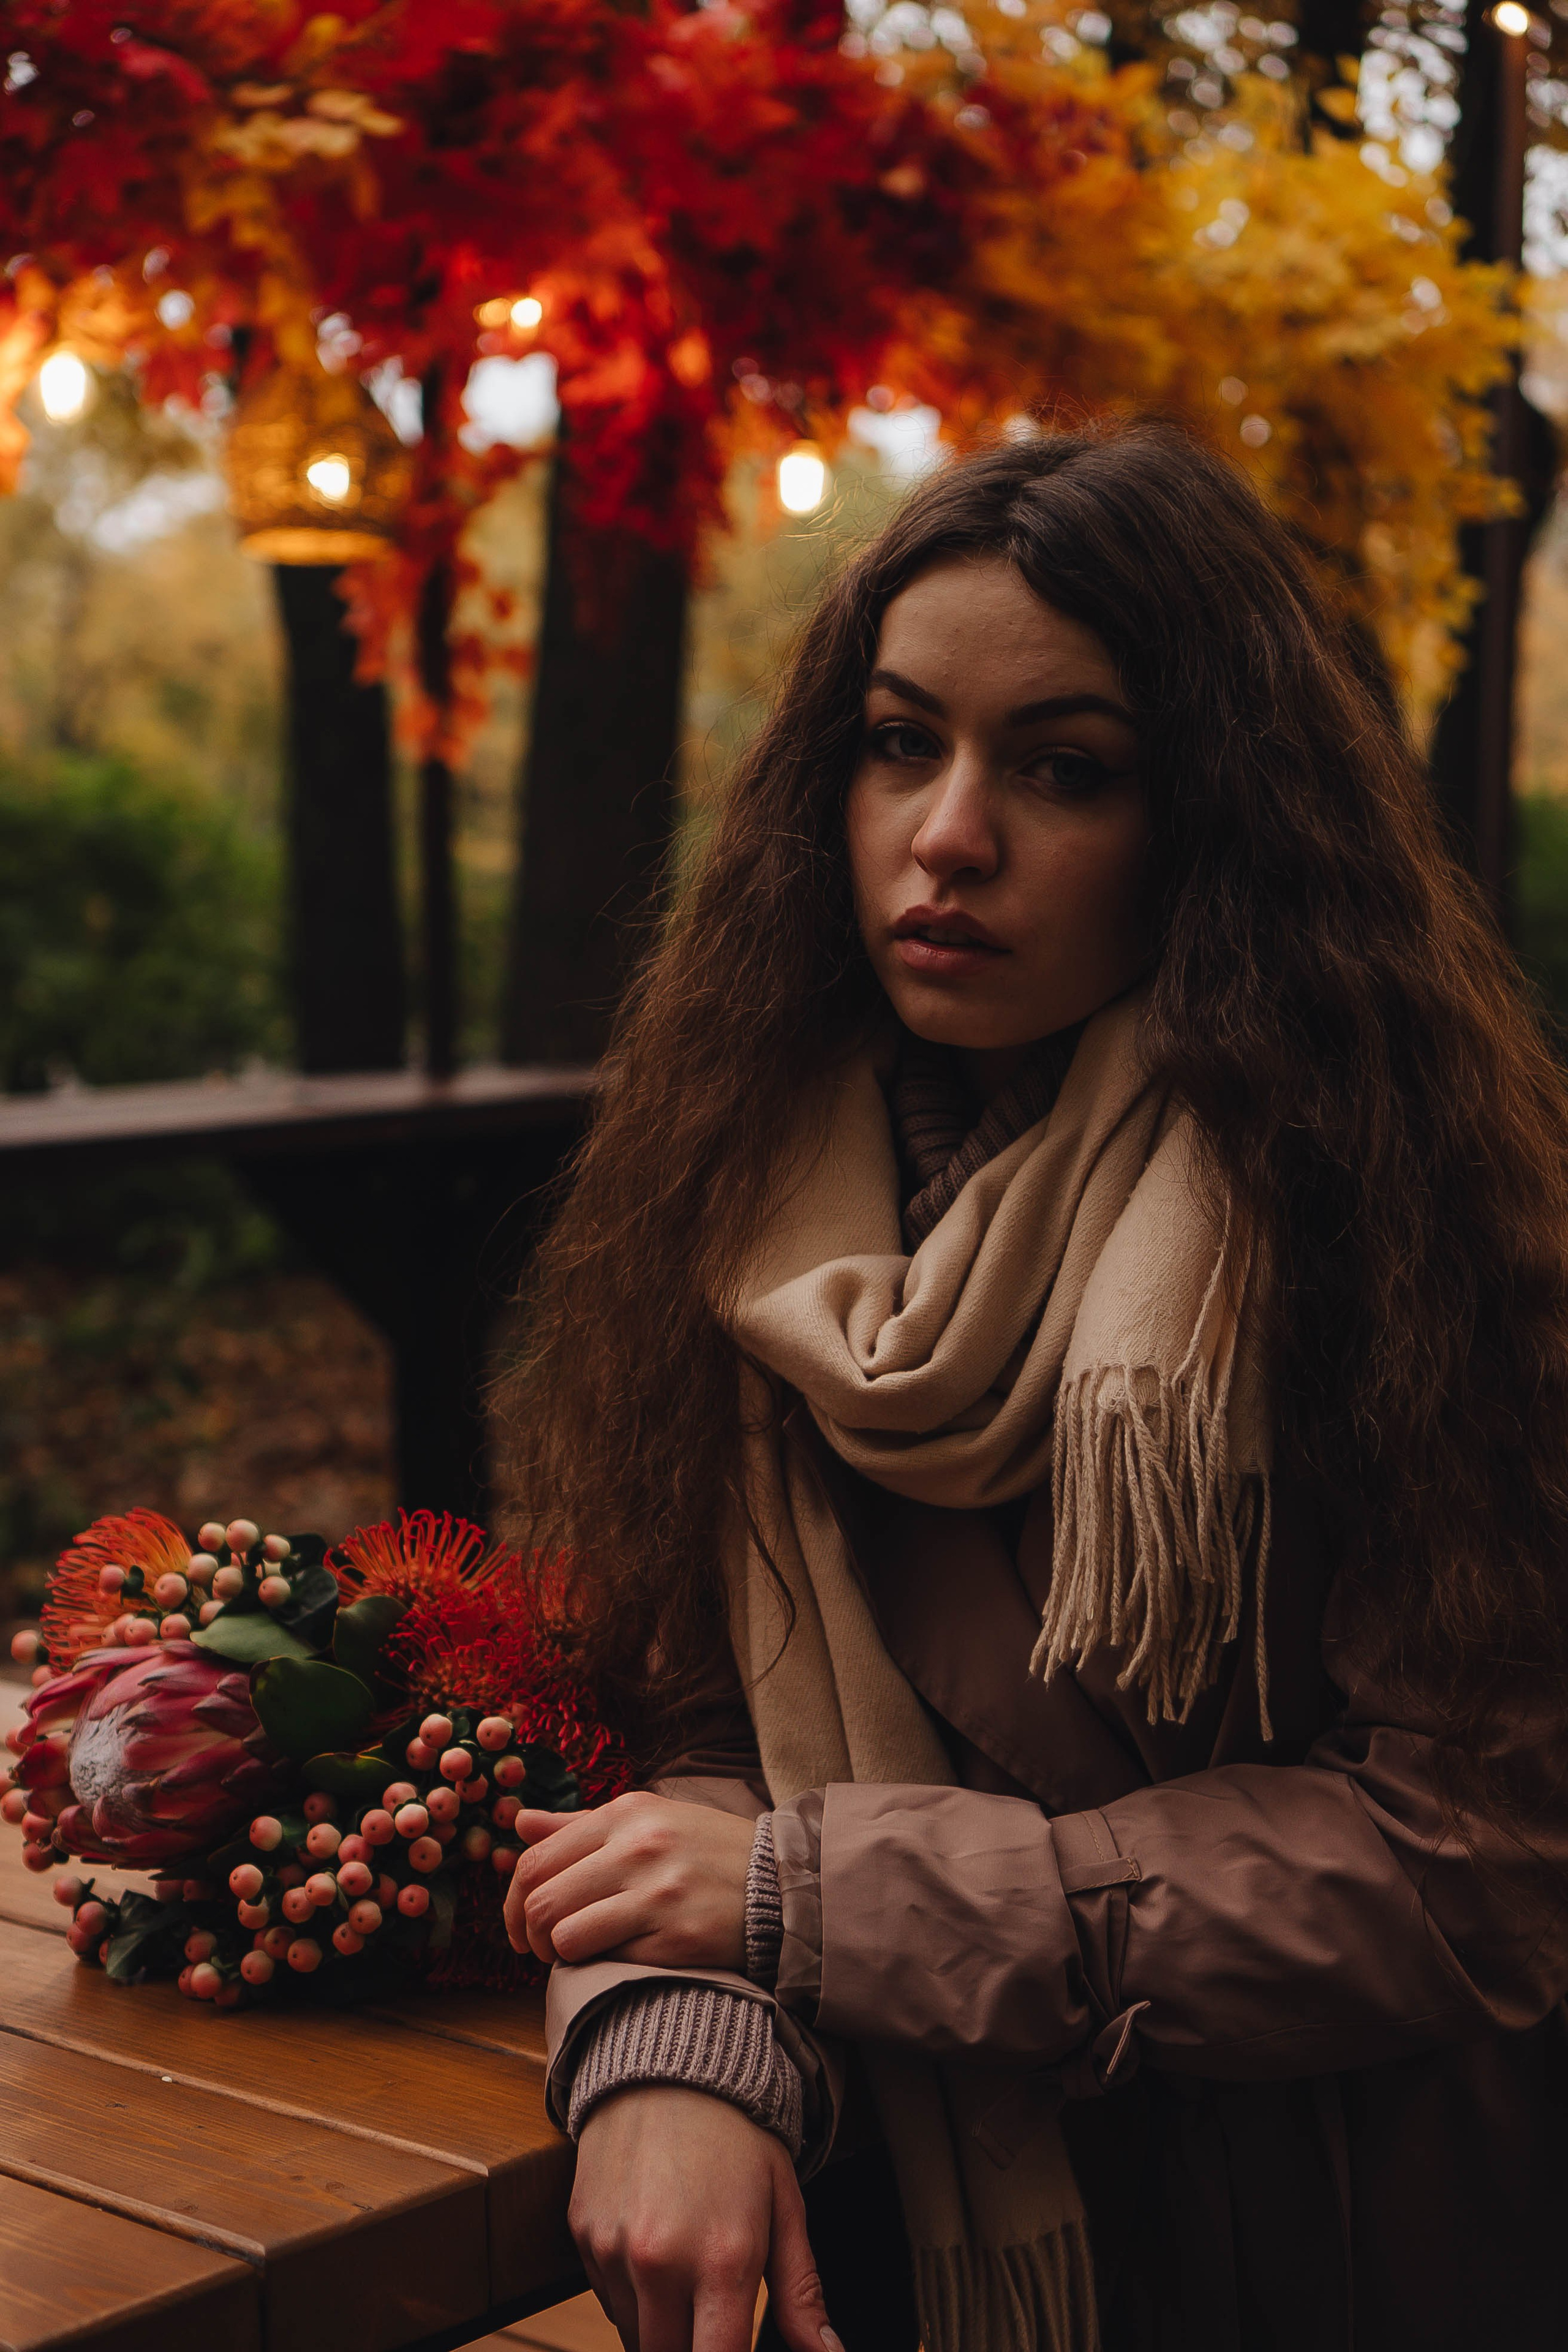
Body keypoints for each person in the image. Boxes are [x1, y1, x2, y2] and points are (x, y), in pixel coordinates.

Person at [499, 420, 1568, 2352]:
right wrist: (671, 2044)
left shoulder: (1389, 1218)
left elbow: (1474, 1863)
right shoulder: (733, 1201)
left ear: (1215, 820)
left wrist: (818, 1907)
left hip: (1329, 2247)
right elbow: (683, 1750)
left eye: (1064, 768)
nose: (949, 835)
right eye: (901, 743)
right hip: (909, 2238)